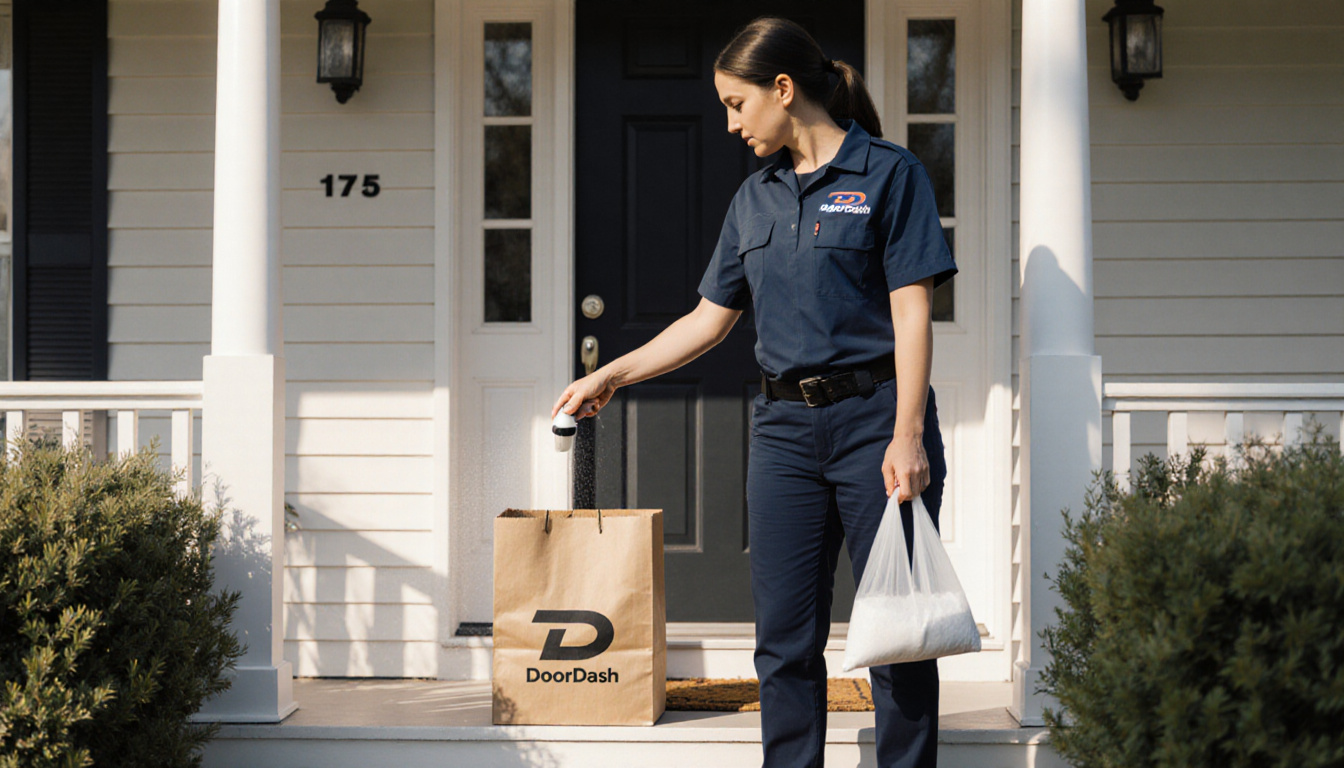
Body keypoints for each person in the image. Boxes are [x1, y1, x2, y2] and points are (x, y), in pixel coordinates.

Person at [551, 16, 957, 768]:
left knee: (901, 634)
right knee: (784, 642)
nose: (731, 123)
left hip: (877, 424)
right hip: (784, 435)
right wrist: (612, 373)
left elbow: (912, 312)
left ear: (783, 88)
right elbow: (708, 322)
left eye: (738, 105)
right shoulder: (755, 199)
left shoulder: (888, 174)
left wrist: (906, 434)